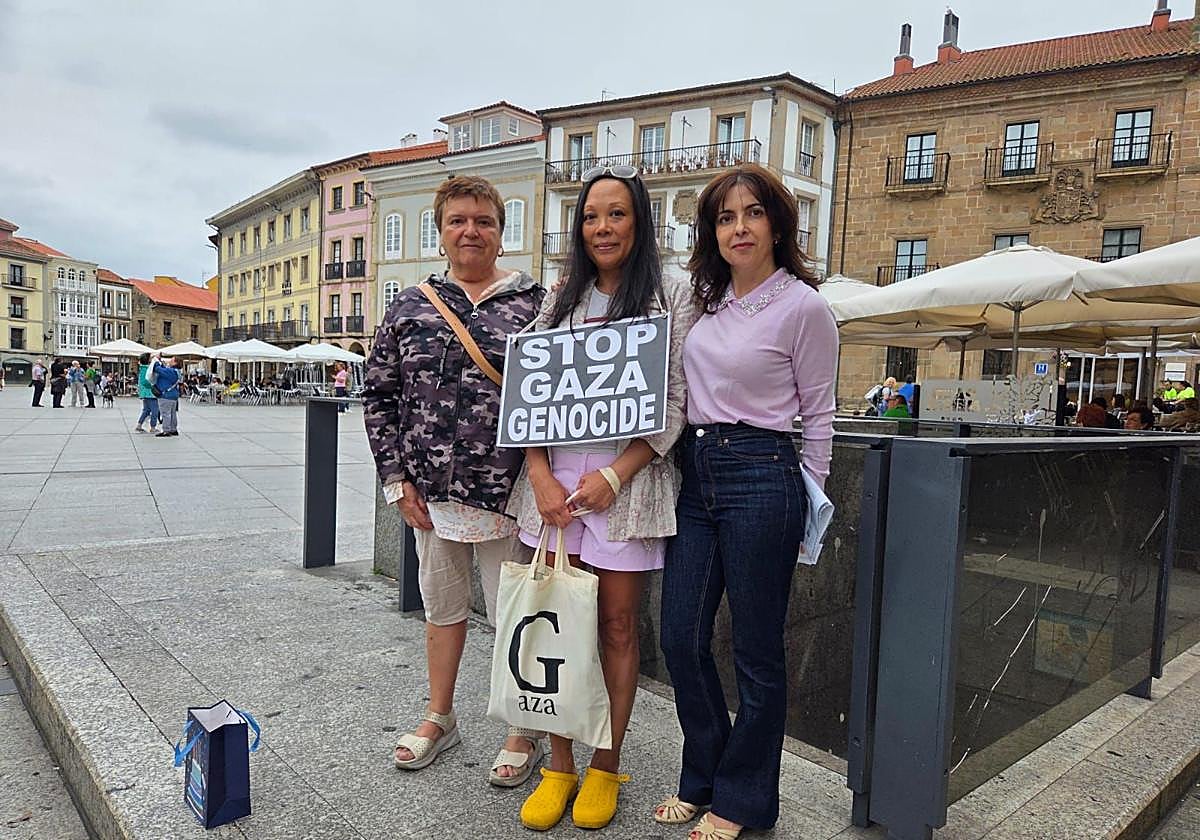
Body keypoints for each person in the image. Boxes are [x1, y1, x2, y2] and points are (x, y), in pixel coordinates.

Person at [504, 165, 696, 832]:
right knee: (557, 630)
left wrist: (613, 476)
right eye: (591, 216)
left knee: (616, 629)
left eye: (616, 215)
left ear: (639, 222)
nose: (602, 227)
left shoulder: (671, 295)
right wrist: (540, 476)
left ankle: (606, 764)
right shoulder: (560, 298)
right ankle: (559, 763)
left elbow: (674, 404)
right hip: (555, 497)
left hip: (627, 494)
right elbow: (525, 397)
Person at [657, 164, 837, 840]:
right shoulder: (704, 301)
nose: (739, 227)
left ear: (777, 225)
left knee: (757, 651)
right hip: (696, 472)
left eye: (753, 213)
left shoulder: (804, 307)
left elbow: (819, 416)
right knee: (679, 634)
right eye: (726, 217)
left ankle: (743, 799)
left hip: (764, 472)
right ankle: (702, 773)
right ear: (713, 230)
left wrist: (810, 509)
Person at [361, 176, 546, 787]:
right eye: (459, 220)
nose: (471, 231)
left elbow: (551, 398)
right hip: (430, 495)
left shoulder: (536, 305)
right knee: (442, 610)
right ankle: (441, 715)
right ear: (440, 230)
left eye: (484, 221)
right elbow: (379, 395)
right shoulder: (410, 305)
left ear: (500, 230)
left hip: (507, 493)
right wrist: (395, 479)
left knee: (514, 615)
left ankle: (524, 728)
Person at [155, 357, 181, 437]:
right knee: (172, 414)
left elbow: (158, 369)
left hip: (166, 395)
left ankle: (166, 430)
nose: (169, 361)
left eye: (171, 360)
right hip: (173, 395)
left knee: (165, 413)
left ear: (175, 363)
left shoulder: (171, 371)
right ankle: (173, 429)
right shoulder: (177, 372)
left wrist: (156, 362)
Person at [134, 352, 160, 433]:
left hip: (145, 393)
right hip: (150, 393)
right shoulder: (146, 369)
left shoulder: (143, 368)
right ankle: (153, 427)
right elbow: (144, 381)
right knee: (155, 410)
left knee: (146, 410)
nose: (152, 359)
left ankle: (139, 425)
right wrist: (152, 385)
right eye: (151, 357)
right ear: (147, 359)